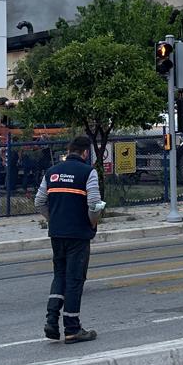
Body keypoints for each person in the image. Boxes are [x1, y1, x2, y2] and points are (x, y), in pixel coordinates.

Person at [34, 135, 106, 342]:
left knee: (60, 275)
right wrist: (92, 222)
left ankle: (51, 321)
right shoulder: (88, 172)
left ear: (69, 150)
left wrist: (54, 219)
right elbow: (94, 203)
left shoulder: (52, 172)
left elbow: (39, 202)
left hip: (57, 233)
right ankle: (72, 328)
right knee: (75, 279)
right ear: (85, 152)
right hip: (78, 234)